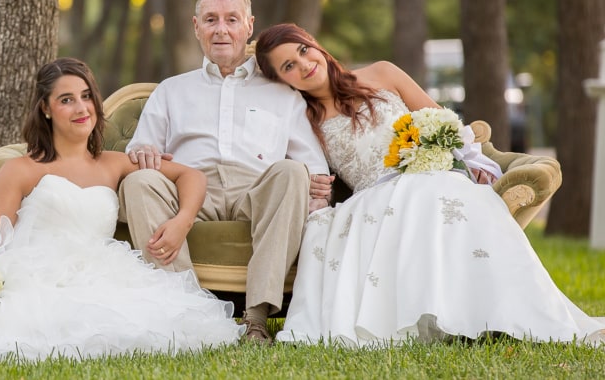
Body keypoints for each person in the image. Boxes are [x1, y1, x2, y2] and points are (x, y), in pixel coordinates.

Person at [0, 57, 243, 362]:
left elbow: (192, 176)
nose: (81, 107)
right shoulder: (21, 169)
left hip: (102, 270)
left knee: (164, 325)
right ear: (47, 109)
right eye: (67, 100)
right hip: (34, 270)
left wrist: (180, 222)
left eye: (86, 96)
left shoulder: (113, 162)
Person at [255, 23, 605, 346]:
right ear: (284, 82)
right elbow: (311, 170)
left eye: (302, 51)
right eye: (288, 67)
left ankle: (514, 311)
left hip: (431, 172)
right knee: (420, 194)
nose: (303, 65)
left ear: (314, 44)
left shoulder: (382, 72)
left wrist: (469, 162)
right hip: (373, 196)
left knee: (455, 193)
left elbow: (440, 121)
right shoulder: (302, 117)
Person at [119, 0, 330, 344]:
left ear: (249, 26)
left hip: (257, 194)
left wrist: (316, 188)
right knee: (138, 182)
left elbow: (313, 166)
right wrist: (143, 154)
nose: (221, 29)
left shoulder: (282, 92)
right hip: (189, 193)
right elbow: (141, 149)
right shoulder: (172, 90)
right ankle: (187, 311)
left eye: (231, 19)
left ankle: (256, 318)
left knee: (293, 171)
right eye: (211, 20)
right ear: (195, 27)